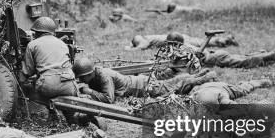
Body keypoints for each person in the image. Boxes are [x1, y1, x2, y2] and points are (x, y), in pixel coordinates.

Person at [72, 57, 217, 103]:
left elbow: (109, 99)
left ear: (90, 73)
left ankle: (204, 77)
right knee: (171, 82)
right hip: (139, 82)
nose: (81, 79)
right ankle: (200, 75)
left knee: (176, 86)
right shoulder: (95, 74)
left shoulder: (104, 76)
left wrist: (88, 91)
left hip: (143, 86)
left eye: (83, 76)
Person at [20, 16, 78, 99]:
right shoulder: (62, 44)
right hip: (68, 84)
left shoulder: (32, 45)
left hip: (48, 86)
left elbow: (28, 71)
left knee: (29, 92)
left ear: (37, 32)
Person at [164, 32, 275, 69]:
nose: (170, 46)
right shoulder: (183, 47)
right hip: (216, 55)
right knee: (241, 58)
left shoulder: (185, 49)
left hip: (216, 59)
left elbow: (189, 60)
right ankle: (263, 53)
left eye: (172, 44)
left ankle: (272, 55)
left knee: (243, 63)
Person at [188, 79, 273, 105]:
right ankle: (258, 82)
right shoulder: (194, 97)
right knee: (243, 89)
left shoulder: (220, 100)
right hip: (206, 86)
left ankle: (259, 82)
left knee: (243, 90)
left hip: (220, 88)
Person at [126, 32, 237, 51]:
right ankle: (224, 40)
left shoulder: (143, 40)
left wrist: (130, 48)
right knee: (199, 41)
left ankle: (222, 40)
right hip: (177, 37)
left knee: (199, 46)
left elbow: (141, 47)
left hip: (176, 40)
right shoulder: (146, 37)